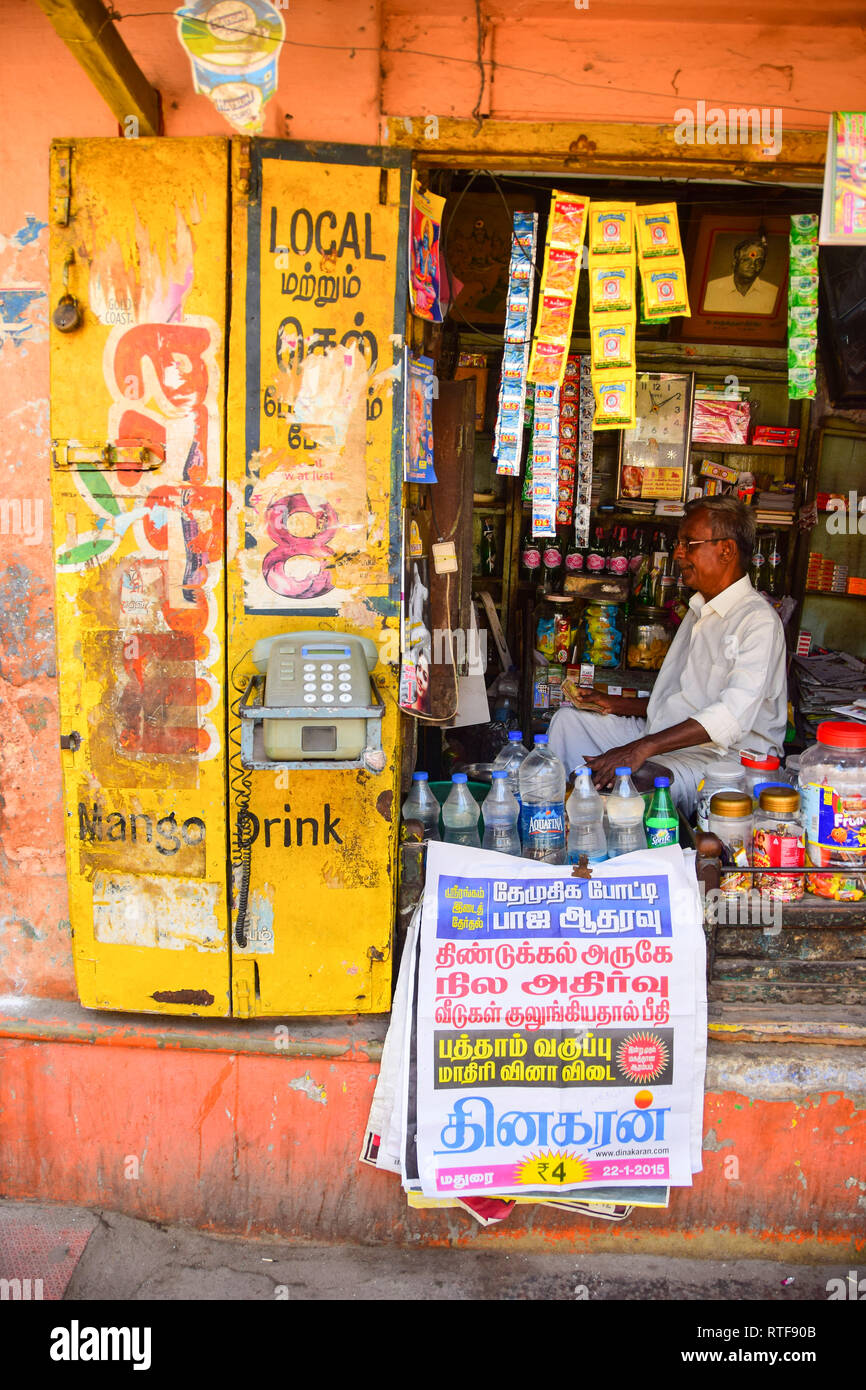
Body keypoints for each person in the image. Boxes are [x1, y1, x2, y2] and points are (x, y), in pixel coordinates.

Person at [548, 496, 788, 816]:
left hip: (724, 758)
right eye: (679, 543)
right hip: (669, 737)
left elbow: (730, 717)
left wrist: (641, 748)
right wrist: (618, 704)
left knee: (638, 779)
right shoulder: (698, 609)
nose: (678, 553)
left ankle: (604, 827)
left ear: (726, 550)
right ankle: (558, 814)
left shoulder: (757, 621)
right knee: (568, 723)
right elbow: (685, 700)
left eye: (689, 543)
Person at [703, 234, 779, 316]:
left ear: (763, 264)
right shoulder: (712, 289)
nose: (753, 265)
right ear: (735, 261)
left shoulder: (773, 293)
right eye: (747, 260)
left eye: (758, 261)